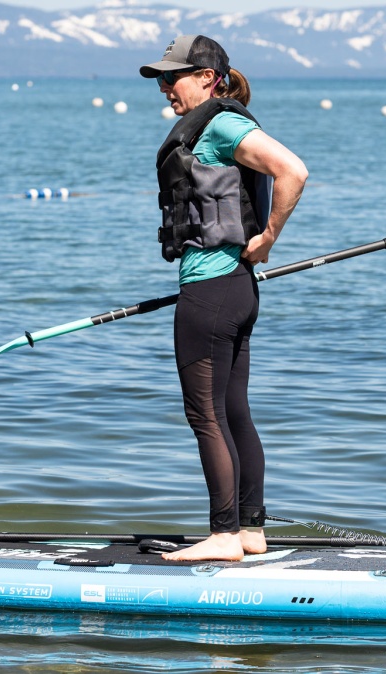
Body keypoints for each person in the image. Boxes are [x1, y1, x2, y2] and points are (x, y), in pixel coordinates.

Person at [139, 35, 308, 561]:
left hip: (213, 292)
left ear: (209, 78)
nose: (166, 88)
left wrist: (270, 236)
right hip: (236, 290)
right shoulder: (218, 125)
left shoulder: (221, 124)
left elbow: (293, 170)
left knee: (205, 414)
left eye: (175, 77)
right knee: (233, 410)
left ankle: (223, 536)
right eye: (163, 79)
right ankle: (250, 529)